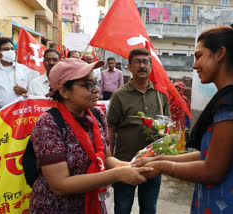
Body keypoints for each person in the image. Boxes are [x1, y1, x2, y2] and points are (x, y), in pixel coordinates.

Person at [133, 24, 233, 214]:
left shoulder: (229, 103)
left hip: (229, 205)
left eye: (199, 55)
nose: (194, 65)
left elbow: (212, 170)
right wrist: (161, 157)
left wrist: (161, 165)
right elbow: (211, 154)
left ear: (220, 53)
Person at [28, 58, 152, 213]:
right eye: (88, 84)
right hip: (56, 207)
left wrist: (132, 166)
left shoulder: (97, 115)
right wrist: (117, 174)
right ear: (64, 92)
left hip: (92, 205)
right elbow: (60, 185)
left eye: (95, 83)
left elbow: (105, 158)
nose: (96, 90)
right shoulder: (48, 124)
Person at [107, 47, 171, 214]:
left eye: (145, 62)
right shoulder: (119, 95)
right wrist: (109, 158)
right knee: (122, 207)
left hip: (154, 163)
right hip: (125, 162)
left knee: (149, 208)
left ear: (150, 66)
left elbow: (168, 126)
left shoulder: (160, 94)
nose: (142, 66)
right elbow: (111, 127)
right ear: (129, 67)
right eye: (137, 62)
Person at [0, 37, 38, 111]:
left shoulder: (25, 70)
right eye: (6, 49)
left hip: (21, 112)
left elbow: (35, 94)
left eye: (12, 49)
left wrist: (26, 92)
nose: (11, 51)